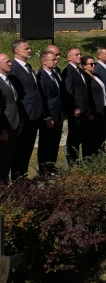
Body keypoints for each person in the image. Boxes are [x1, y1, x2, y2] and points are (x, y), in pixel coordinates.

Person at [9, 40, 49, 180]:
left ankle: (23, 177)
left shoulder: (28, 66)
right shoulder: (14, 68)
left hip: (34, 114)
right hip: (25, 115)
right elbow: (16, 95)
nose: (30, 50)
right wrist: (20, 117)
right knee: (21, 149)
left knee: (28, 149)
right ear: (17, 51)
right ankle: (17, 179)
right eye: (27, 48)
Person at [36, 50, 63, 174]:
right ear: (44, 62)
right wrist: (47, 117)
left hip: (57, 113)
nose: (55, 61)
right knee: (46, 143)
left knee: (54, 142)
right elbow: (43, 98)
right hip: (49, 115)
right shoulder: (41, 76)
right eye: (52, 59)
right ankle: (44, 169)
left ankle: (52, 166)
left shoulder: (55, 74)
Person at [62, 48, 90, 161]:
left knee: (80, 135)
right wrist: (74, 107)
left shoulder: (80, 71)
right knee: (74, 135)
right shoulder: (68, 71)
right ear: (69, 57)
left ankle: (77, 158)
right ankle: (71, 160)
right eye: (76, 54)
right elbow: (69, 91)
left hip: (84, 108)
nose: (80, 56)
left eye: (80, 54)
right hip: (76, 110)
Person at [81, 56, 106, 156]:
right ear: (84, 66)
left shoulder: (95, 75)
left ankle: (97, 152)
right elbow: (88, 95)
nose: (94, 66)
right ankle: (89, 156)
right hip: (93, 111)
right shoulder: (86, 77)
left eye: (94, 64)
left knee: (98, 134)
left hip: (100, 109)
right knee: (90, 135)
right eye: (91, 64)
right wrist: (90, 111)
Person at [0, 54, 21, 183]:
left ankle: (5, 180)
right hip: (5, 126)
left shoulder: (9, 80)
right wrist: (2, 128)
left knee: (9, 156)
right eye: (7, 62)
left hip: (14, 123)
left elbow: (14, 102)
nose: (10, 64)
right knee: (2, 156)